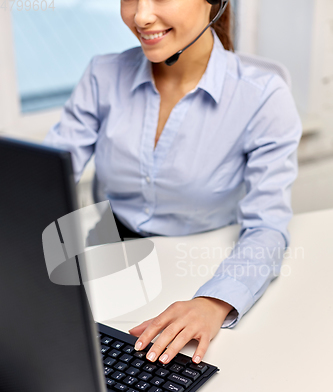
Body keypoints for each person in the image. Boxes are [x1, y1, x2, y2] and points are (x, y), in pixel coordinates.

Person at [43, 0, 302, 367]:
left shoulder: (262, 94)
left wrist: (214, 302)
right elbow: (45, 178)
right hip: (112, 259)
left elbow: (268, 227)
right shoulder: (103, 74)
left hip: (206, 261)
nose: (140, 15)